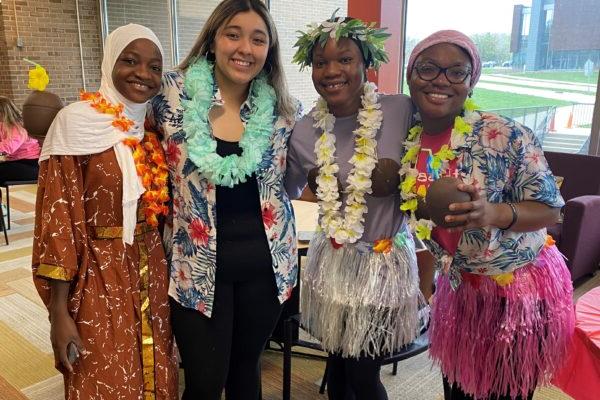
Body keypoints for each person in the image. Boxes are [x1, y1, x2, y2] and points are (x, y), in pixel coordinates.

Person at [402, 30, 574, 400]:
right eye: (428, 68)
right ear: (410, 73)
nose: (441, 81)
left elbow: (551, 209)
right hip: (460, 289)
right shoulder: (407, 137)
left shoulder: (504, 134)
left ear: (471, 81)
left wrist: (490, 213)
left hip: (516, 292)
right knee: (458, 390)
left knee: (503, 394)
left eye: (456, 72)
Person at [148, 0, 299, 398]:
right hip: (193, 270)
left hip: (265, 271)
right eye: (233, 34)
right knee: (204, 381)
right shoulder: (169, 95)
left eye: (258, 39)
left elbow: (297, 179)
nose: (244, 48)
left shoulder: (285, 110)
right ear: (213, 40)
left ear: (269, 51)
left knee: (246, 374)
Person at [32, 24, 178, 399]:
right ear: (110, 62)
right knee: (102, 377)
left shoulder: (151, 128)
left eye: (154, 67)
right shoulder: (75, 124)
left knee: (156, 373)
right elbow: (57, 222)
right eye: (130, 61)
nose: (143, 74)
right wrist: (58, 312)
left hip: (152, 272)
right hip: (95, 274)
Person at [286, 13, 424, 400]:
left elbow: (440, 155)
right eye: (320, 62)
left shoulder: (402, 110)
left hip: (382, 267)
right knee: (339, 371)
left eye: (345, 59)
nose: (332, 71)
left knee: (364, 375)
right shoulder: (303, 130)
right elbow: (284, 189)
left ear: (367, 64)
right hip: (330, 263)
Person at [0, 96, 41, 184]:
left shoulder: (18, 127)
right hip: (16, 162)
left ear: (2, 113)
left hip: (30, 165)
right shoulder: (3, 125)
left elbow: (8, 147)